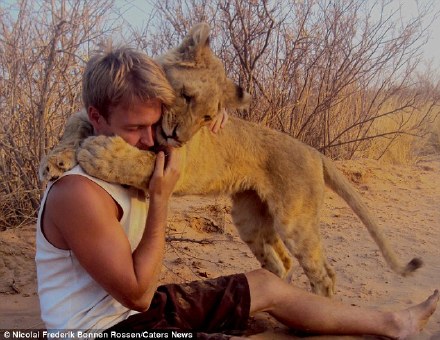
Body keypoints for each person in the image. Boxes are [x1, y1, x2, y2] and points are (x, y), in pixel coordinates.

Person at [36, 45, 439, 339]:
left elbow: (161, 107)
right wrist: (159, 201)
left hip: (129, 308)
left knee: (268, 283)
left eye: (154, 125)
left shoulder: (136, 138)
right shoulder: (78, 192)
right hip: (107, 328)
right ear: (94, 117)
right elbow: (139, 295)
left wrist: (208, 107)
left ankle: (393, 323)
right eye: (135, 130)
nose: (153, 139)